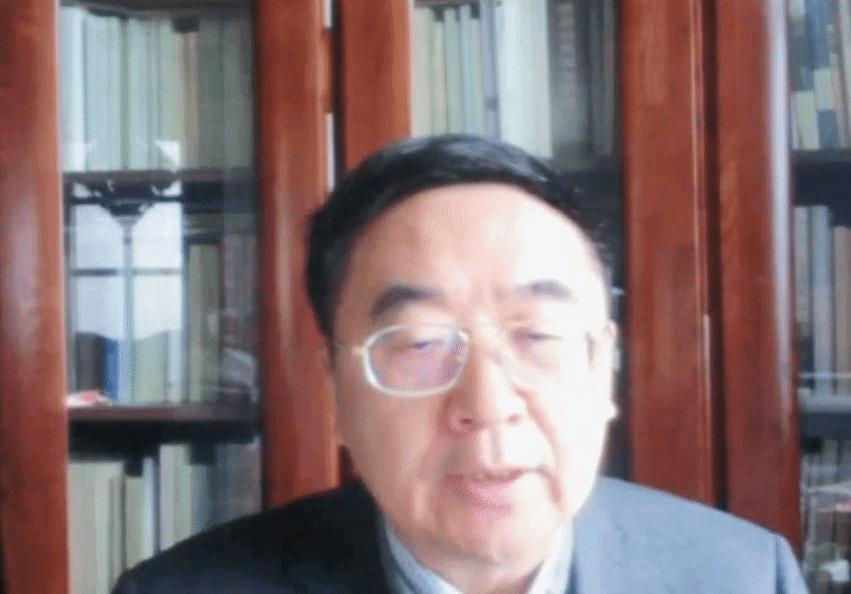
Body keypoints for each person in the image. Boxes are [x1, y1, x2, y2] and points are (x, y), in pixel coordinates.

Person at [112, 134, 807, 594]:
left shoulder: (743, 576)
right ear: (336, 394)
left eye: (538, 335)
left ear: (604, 370)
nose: (488, 403)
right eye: (420, 342)